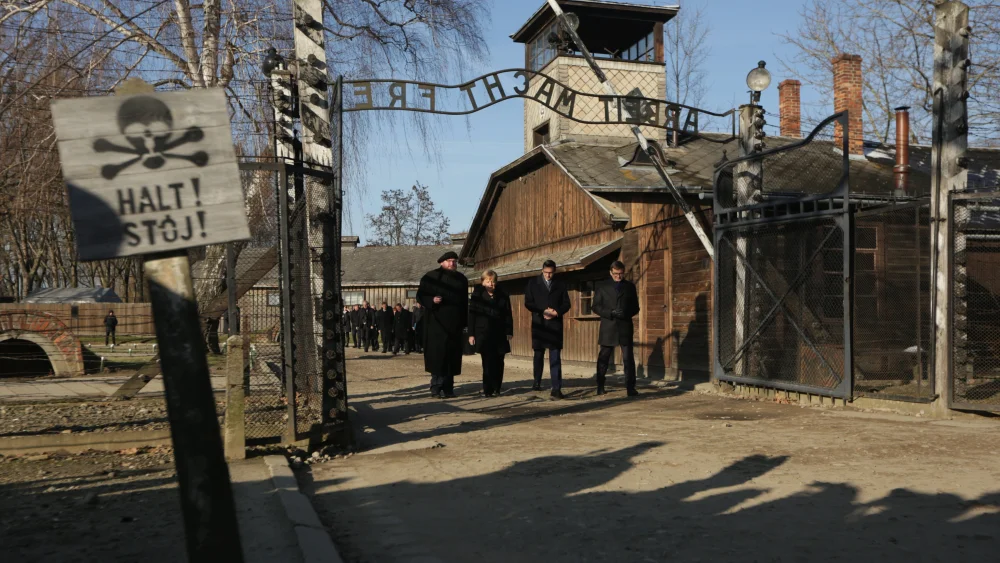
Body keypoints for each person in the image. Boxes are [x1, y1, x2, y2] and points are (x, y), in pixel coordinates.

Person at [417, 251, 469, 398]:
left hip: (455, 324)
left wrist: (465, 323)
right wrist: (432, 300)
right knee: (437, 356)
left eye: (454, 261)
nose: (452, 264)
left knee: (452, 357)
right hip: (435, 324)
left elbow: (465, 303)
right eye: (449, 261)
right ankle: (435, 386)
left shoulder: (461, 280)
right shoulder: (430, 277)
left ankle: (448, 388)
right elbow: (420, 295)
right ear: (442, 262)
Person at [592, 260, 641, 396]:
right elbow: (595, 306)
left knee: (628, 358)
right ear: (610, 272)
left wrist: (626, 313)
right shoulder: (602, 286)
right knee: (604, 357)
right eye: (615, 274)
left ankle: (630, 387)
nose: (618, 277)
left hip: (625, 326)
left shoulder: (629, 287)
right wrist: (610, 313)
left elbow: (636, 307)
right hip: (608, 326)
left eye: (620, 274)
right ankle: (600, 385)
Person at [524, 260, 571, 399]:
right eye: (546, 272)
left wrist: (557, 312)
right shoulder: (533, 283)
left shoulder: (560, 284)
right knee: (538, 354)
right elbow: (528, 302)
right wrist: (542, 310)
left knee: (555, 356)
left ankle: (556, 388)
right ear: (542, 270)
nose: (548, 275)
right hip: (540, 323)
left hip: (555, 324)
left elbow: (567, 303)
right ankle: (537, 381)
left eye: (551, 273)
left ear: (554, 271)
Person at [468, 270, 513, 397]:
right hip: (483, 333)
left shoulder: (503, 295)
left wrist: (509, 331)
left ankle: (497, 388)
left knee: (499, 361)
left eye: (493, 281)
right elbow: (472, 316)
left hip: (499, 333)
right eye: (488, 281)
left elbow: (508, 314)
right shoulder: (477, 296)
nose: (491, 284)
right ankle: (487, 389)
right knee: (487, 362)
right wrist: (471, 334)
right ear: (483, 282)